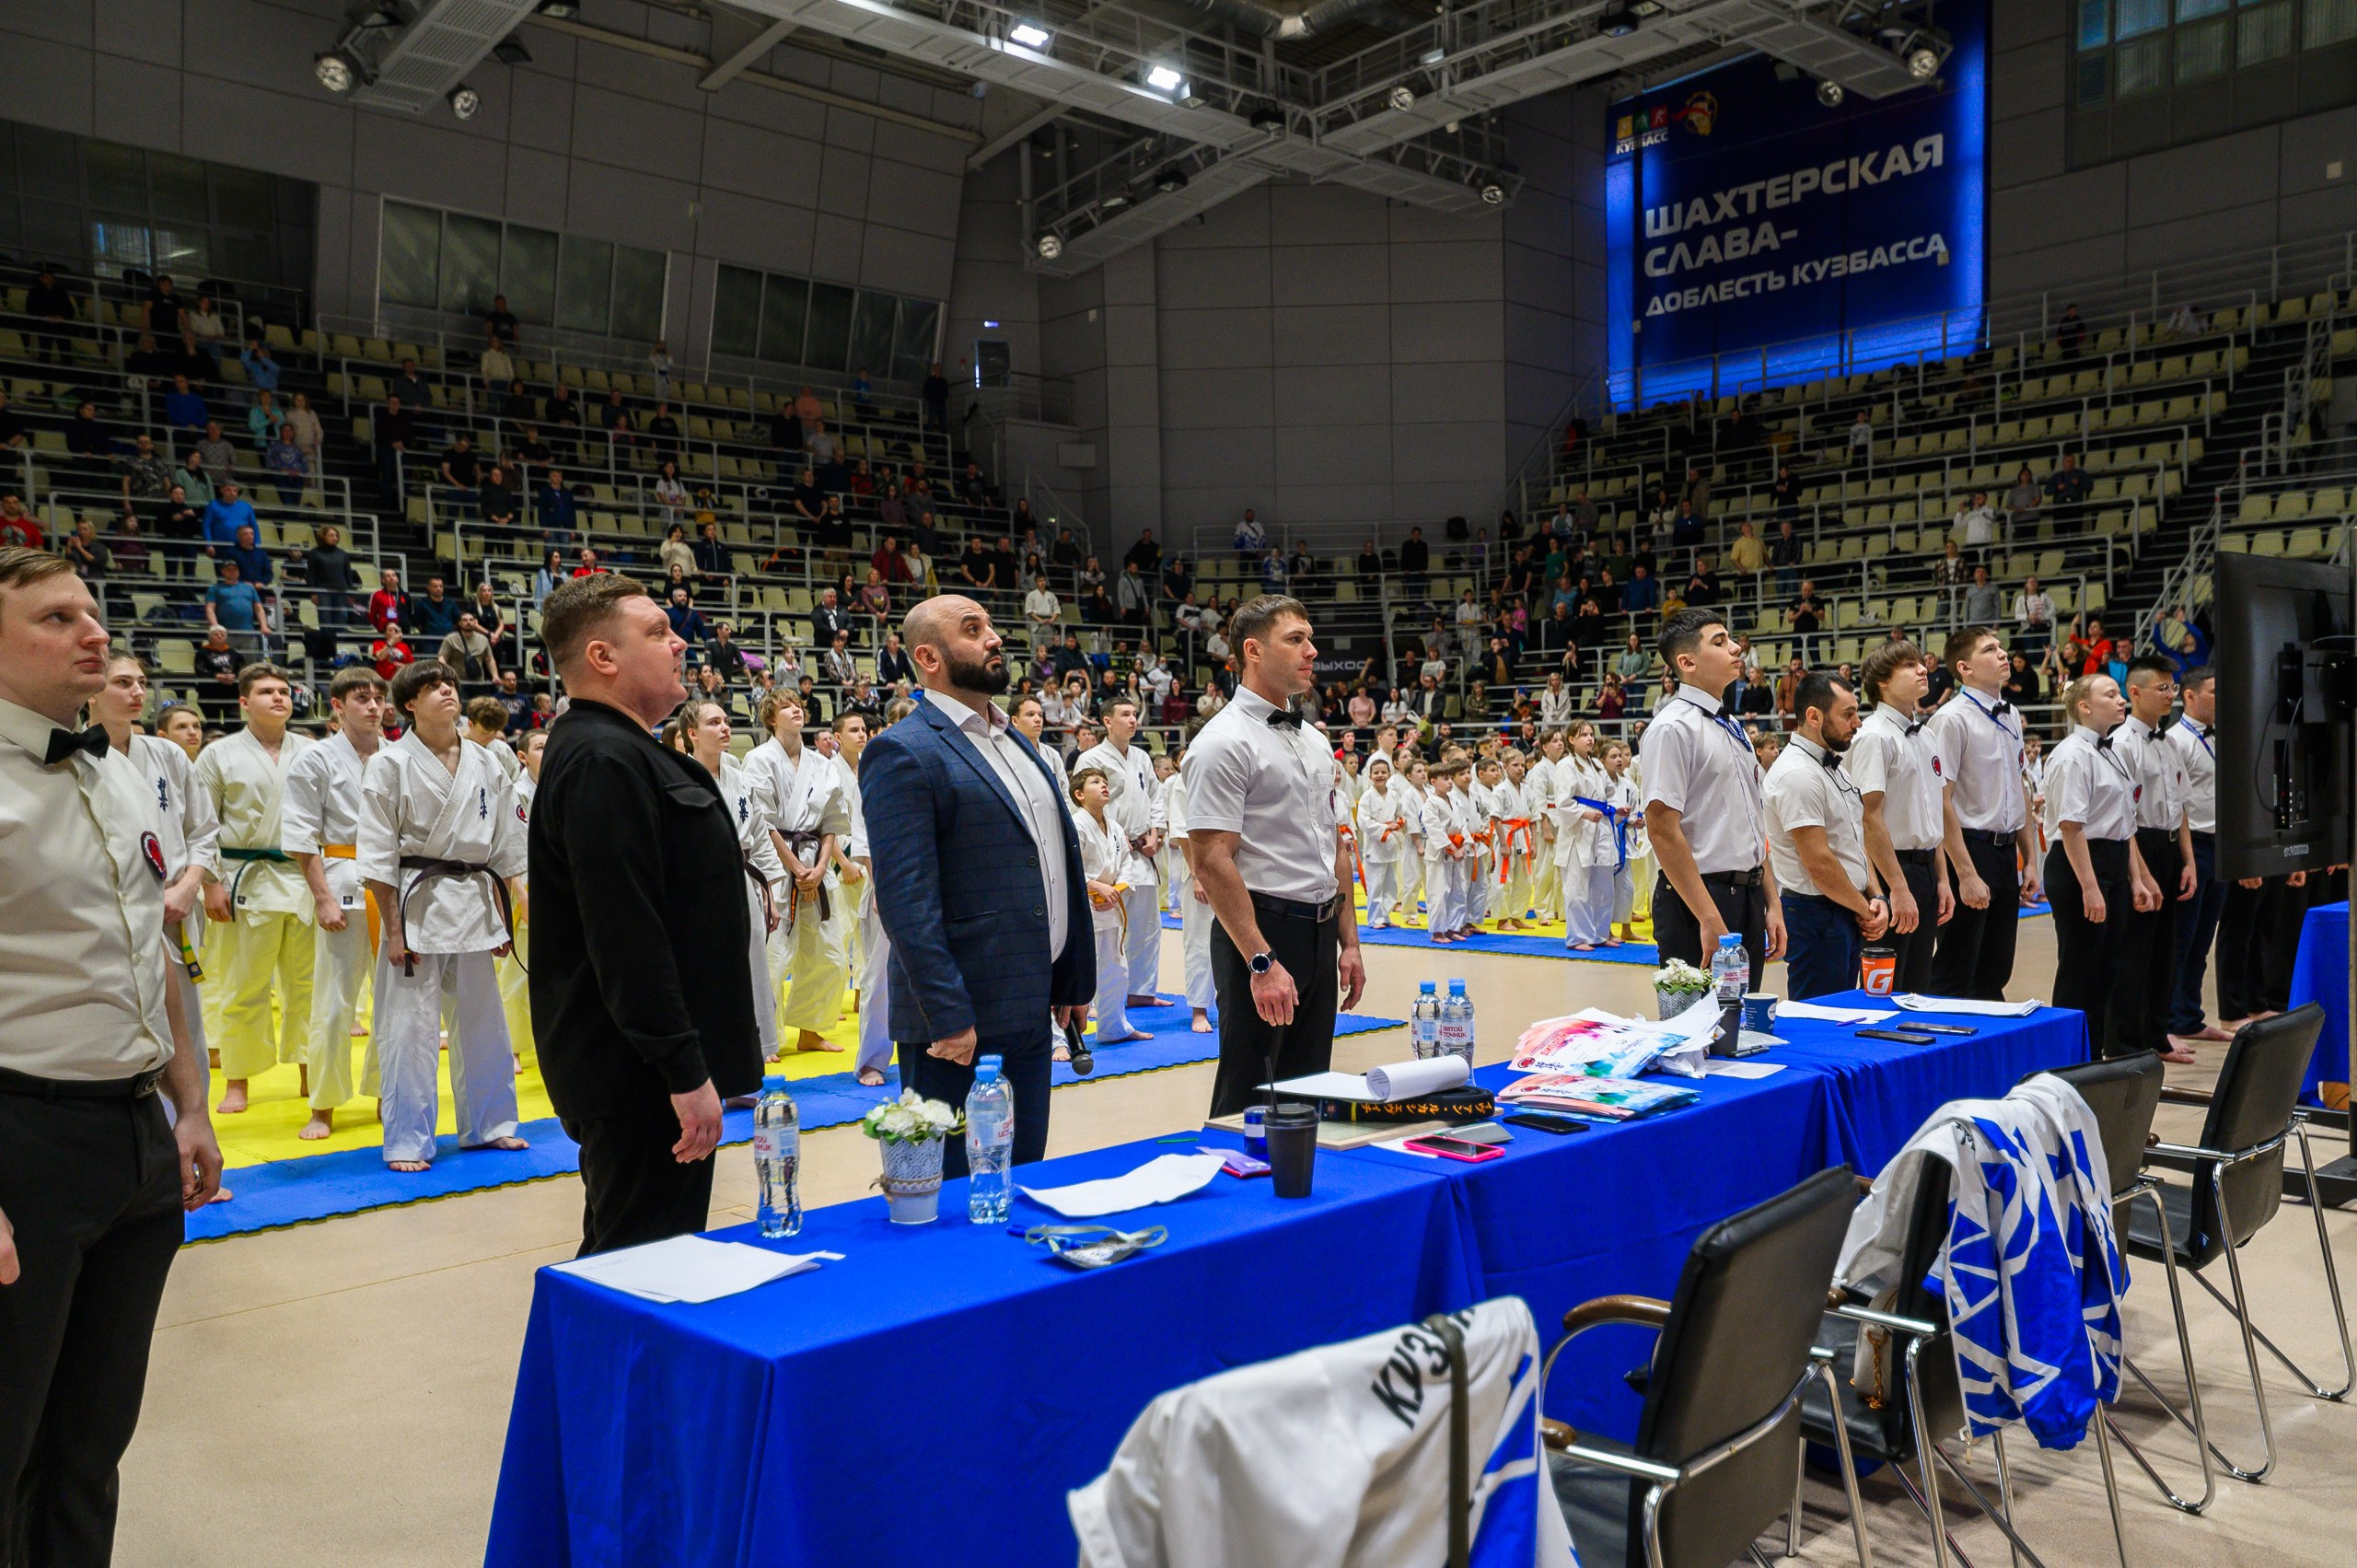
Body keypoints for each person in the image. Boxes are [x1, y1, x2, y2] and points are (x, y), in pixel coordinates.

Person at [0, 548, 223, 1566]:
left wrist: (192, 1107)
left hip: (135, 1134)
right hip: (22, 1138)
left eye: (92, 612)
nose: (93, 632)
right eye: (56, 618)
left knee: (90, 1448)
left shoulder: (121, 770)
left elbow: (159, 950)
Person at [530, 575, 761, 1252]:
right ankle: (588, 1365)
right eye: (658, 631)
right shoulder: (603, 757)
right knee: (639, 1261)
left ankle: (589, 1363)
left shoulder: (624, 748)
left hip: (646, 1068)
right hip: (639, 1076)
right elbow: (626, 934)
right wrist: (682, 1070)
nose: (679, 640)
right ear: (603, 657)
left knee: (634, 1248)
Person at [861, 596, 1094, 1175]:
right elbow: (905, 900)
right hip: (958, 1022)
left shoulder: (1013, 740)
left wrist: (1069, 976)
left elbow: (1052, 862)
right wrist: (947, 1014)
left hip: (1030, 1005)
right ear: (928, 657)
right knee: (957, 1197)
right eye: (973, 629)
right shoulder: (904, 749)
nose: (994, 638)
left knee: (1024, 1173)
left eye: (991, 625)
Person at [1181, 596, 1367, 1117]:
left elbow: (1334, 844)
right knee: (1250, 1095)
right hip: (1260, 930)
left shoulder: (1312, 739)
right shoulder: (1222, 742)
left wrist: (1348, 941)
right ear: (1253, 651)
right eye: (1296, 640)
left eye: (1311, 639)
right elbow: (1212, 861)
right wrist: (1261, 962)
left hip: (1319, 928)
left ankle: (1300, 1195)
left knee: (1307, 1091)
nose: (1312, 652)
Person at [359, 662, 531, 1173]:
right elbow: (377, 856)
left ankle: (490, 1125)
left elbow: (503, 846)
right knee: (408, 1028)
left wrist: (502, 914)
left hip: (475, 899)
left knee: (484, 1023)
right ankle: (409, 1139)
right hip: (416, 903)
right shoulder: (389, 764)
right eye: (433, 687)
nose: (446, 693)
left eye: (451, 685)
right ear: (409, 704)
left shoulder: (486, 761)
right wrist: (393, 928)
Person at [196, 663, 315, 1115]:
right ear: (244, 702)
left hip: (304, 877)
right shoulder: (218, 755)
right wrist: (211, 883)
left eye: (284, 691)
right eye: (267, 692)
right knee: (243, 985)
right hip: (244, 877)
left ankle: (310, 1072)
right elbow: (203, 826)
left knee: (307, 984)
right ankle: (237, 1081)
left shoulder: (311, 751)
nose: (279, 698)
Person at [1641, 608, 1782, 981]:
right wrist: (1707, 915)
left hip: (1748, 892)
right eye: (1720, 642)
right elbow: (1661, 829)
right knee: (1698, 1029)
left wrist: (1772, 901)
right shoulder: (1671, 728)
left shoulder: (1733, 725)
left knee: (1743, 1026)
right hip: (1698, 898)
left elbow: (1755, 821)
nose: (1736, 648)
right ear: (1687, 662)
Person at [280, 668, 387, 1140]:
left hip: (393, 887)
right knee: (332, 1004)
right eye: (362, 698)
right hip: (340, 881)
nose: (374, 706)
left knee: (393, 1002)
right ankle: (323, 1105)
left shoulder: (398, 757)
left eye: (379, 697)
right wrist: (321, 897)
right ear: (338, 706)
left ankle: (391, 1093)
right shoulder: (316, 759)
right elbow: (301, 835)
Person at [664, 700, 783, 1074]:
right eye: (715, 722)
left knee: (752, 968)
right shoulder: (675, 776)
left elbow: (760, 836)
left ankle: (750, 1061)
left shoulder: (737, 773)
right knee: (709, 975)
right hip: (699, 886)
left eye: (727, 721)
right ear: (693, 734)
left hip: (743, 878)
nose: (726, 727)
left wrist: (771, 892)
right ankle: (708, 1064)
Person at [2043, 674, 2157, 1056]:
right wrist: (2090, 888)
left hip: (2111, 861)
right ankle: (2066, 1060)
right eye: (2111, 694)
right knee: (2080, 971)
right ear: (2084, 707)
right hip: (2079, 865)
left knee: (2108, 969)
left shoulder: (2112, 752)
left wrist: (2135, 879)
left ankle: (2093, 1056)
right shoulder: (2071, 754)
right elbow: (2071, 827)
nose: (2121, 700)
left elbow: (2124, 826)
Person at [1926, 626, 2042, 1001]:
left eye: (2001, 647)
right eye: (1990, 649)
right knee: (1957, 969)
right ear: (1965, 667)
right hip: (1970, 849)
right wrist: (1966, 873)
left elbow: (2019, 788)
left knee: (1995, 967)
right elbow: (1941, 802)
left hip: (2006, 850)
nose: (2002, 654)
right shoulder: (1950, 719)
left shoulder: (2010, 714)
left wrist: (2031, 860)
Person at [1765, 672, 1890, 1000]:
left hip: (1845, 906)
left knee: (1846, 1012)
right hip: (1815, 913)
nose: (1858, 723)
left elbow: (1854, 843)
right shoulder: (1797, 774)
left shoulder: (1833, 765)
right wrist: (1865, 908)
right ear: (1813, 716)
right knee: (1820, 1019)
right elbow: (1819, 862)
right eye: (1847, 714)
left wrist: (1877, 896)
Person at [743, 692, 851, 1055]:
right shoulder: (758, 760)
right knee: (774, 957)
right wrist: (796, 869)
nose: (797, 709)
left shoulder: (822, 764)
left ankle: (811, 1030)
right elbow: (763, 822)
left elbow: (833, 820)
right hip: (777, 865)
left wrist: (819, 869)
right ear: (771, 719)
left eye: (800, 705)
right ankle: (766, 1038)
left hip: (816, 863)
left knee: (830, 957)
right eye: (788, 706)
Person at [1843, 642, 1950, 993]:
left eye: (1921, 663)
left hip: (1925, 869)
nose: (1922, 670)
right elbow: (1867, 819)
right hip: (1892, 872)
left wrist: (1943, 880)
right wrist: (1897, 890)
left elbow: (1933, 817)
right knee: (1887, 988)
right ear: (1882, 682)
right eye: (1908, 665)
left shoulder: (1928, 734)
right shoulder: (1873, 736)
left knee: (1918, 987)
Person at [2117, 656, 2198, 1063]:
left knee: (2167, 949)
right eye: (2162, 688)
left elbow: (2181, 807)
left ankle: (2157, 1033)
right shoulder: (2123, 743)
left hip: (2169, 845)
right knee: (2136, 951)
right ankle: (2127, 1041)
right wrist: (2141, 875)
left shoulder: (2170, 742)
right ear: (2135, 692)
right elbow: (2124, 818)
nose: (2170, 695)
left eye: (2172, 687)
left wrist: (2188, 861)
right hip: (2140, 846)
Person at [1076, 697, 1167, 1013]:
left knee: (1147, 926)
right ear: (1106, 721)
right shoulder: (1091, 758)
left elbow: (1156, 795)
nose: (1132, 720)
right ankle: (1102, 998)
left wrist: (1157, 832)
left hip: (1144, 851)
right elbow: (1085, 804)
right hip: (1111, 852)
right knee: (1107, 931)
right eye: (1125, 715)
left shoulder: (1141, 757)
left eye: (1134, 714)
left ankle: (1141, 990)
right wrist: (1115, 836)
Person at [2165, 667, 2230, 1054]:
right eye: (2213, 691)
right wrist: (2187, 857)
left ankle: (2190, 1017)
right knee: (2181, 939)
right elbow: (2178, 805)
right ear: (2189, 697)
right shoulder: (2177, 740)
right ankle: (2169, 1018)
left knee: (2203, 938)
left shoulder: (2220, 737)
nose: (2220, 698)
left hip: (2218, 842)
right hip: (2192, 845)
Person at [1071, 764, 1153, 1048]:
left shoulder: (1115, 827)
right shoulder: (1076, 825)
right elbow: (1068, 868)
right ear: (1080, 794)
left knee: (1116, 970)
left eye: (1105, 782)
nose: (1104, 786)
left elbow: (1127, 865)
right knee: (1079, 973)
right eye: (1096, 782)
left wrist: (1115, 890)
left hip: (1111, 906)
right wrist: (1094, 887)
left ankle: (1114, 1027)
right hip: (1084, 909)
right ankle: (1062, 1037)